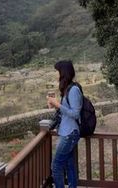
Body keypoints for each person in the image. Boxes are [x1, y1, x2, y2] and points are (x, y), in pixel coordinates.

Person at [49, 60, 83, 188]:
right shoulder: (67, 89)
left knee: (56, 166)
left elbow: (75, 114)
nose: (56, 75)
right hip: (66, 132)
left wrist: (58, 104)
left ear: (63, 73)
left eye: (57, 72)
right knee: (69, 165)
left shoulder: (73, 90)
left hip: (70, 133)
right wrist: (56, 106)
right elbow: (66, 113)